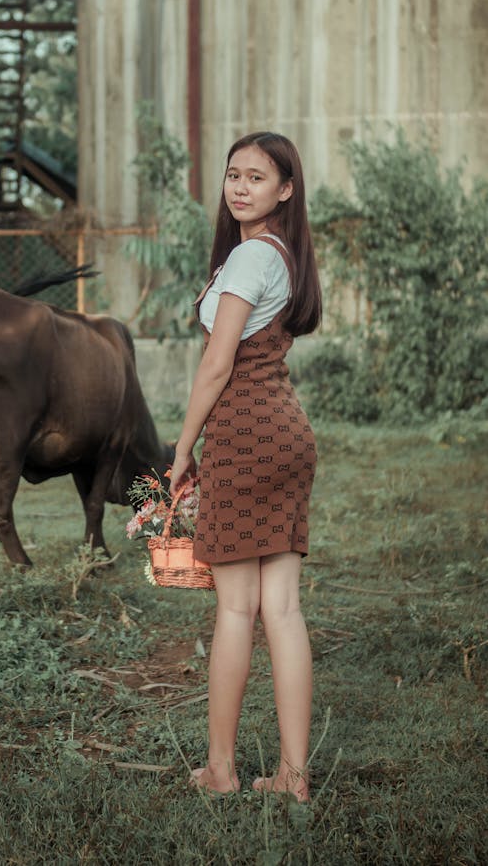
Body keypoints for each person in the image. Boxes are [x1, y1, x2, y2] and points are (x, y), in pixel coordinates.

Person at [168, 130, 322, 802]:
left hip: (244, 437)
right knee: (281, 610)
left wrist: (181, 448)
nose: (239, 186)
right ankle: (293, 776)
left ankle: (222, 770)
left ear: (284, 189)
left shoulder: (249, 258)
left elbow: (217, 363)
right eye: (233, 174)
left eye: (256, 177)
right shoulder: (281, 256)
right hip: (288, 433)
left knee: (236, 609)